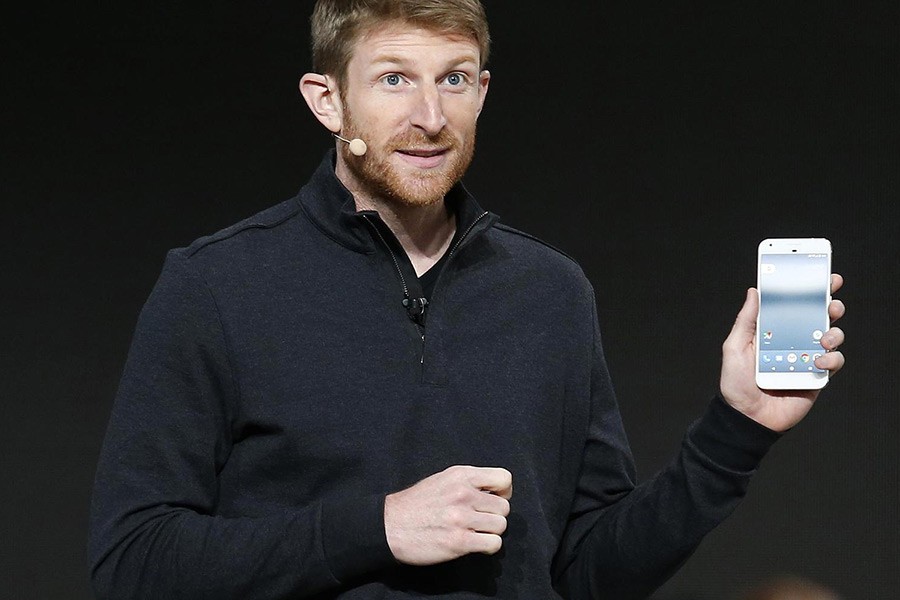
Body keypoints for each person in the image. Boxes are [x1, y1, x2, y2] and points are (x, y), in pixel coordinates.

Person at [87, 1, 846, 599]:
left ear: (482, 92)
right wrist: (377, 528)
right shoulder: (215, 285)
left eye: (454, 78)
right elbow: (133, 562)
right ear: (327, 100)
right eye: (393, 79)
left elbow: (586, 574)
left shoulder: (550, 292)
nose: (430, 117)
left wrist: (735, 432)